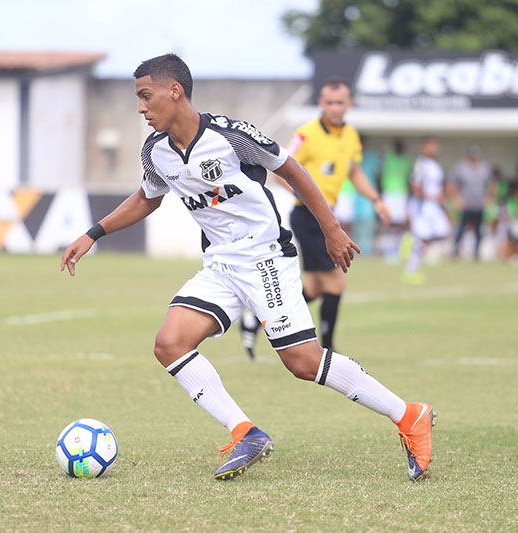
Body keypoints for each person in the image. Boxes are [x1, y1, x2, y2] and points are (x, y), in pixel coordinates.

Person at [60, 54, 435, 482]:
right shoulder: (156, 151)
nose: (141, 107)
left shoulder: (230, 135)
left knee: (302, 361)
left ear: (174, 91)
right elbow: (147, 197)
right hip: (220, 263)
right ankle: (245, 433)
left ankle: (409, 415)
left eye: (146, 96)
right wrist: (93, 233)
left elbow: (293, 171)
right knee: (170, 343)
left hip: (266, 257)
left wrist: (331, 229)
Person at [241, 78, 389, 355]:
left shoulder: (351, 136)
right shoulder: (306, 134)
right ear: (321, 103)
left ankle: (254, 321)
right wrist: (309, 198)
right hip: (308, 216)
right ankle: (329, 348)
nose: (334, 108)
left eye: (339, 103)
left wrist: (376, 199)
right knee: (336, 281)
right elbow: (279, 171)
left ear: (349, 104)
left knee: (316, 288)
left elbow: (354, 172)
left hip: (326, 217)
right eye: (329, 102)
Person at [402, 137, 450, 283]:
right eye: (430, 146)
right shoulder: (421, 164)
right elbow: (415, 187)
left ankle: (416, 249)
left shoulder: (435, 165)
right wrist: (431, 197)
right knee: (423, 238)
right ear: (423, 147)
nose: (434, 149)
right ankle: (410, 269)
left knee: (443, 232)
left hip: (434, 207)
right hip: (422, 207)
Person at [449, 145, 493, 261]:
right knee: (461, 229)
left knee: (479, 230)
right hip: (466, 204)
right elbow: (453, 184)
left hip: (479, 204)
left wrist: (488, 198)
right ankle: (455, 252)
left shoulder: (484, 168)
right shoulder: (461, 168)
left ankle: (476, 253)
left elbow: (491, 184)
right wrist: (457, 198)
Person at [380, 139, 412, 261]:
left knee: (400, 223)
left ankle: (398, 249)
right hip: (389, 193)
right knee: (388, 222)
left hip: (402, 194)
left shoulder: (407, 159)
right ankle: (389, 249)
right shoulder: (388, 157)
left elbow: (409, 176)